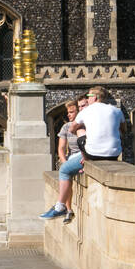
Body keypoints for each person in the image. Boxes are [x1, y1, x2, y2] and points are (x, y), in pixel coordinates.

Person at [40, 93, 90, 222]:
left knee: (66, 172)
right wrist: (64, 161)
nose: (69, 114)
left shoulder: (87, 124)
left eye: (72, 112)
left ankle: (62, 209)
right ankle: (68, 209)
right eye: (68, 112)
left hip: (84, 155)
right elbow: (61, 148)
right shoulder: (66, 127)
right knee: (66, 171)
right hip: (72, 156)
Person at [68, 85, 124, 161]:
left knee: (79, 130)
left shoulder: (86, 111)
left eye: (88, 96)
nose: (87, 99)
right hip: (114, 154)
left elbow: (71, 129)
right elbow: (124, 129)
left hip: (93, 154)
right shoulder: (116, 110)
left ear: (94, 97)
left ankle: (85, 160)